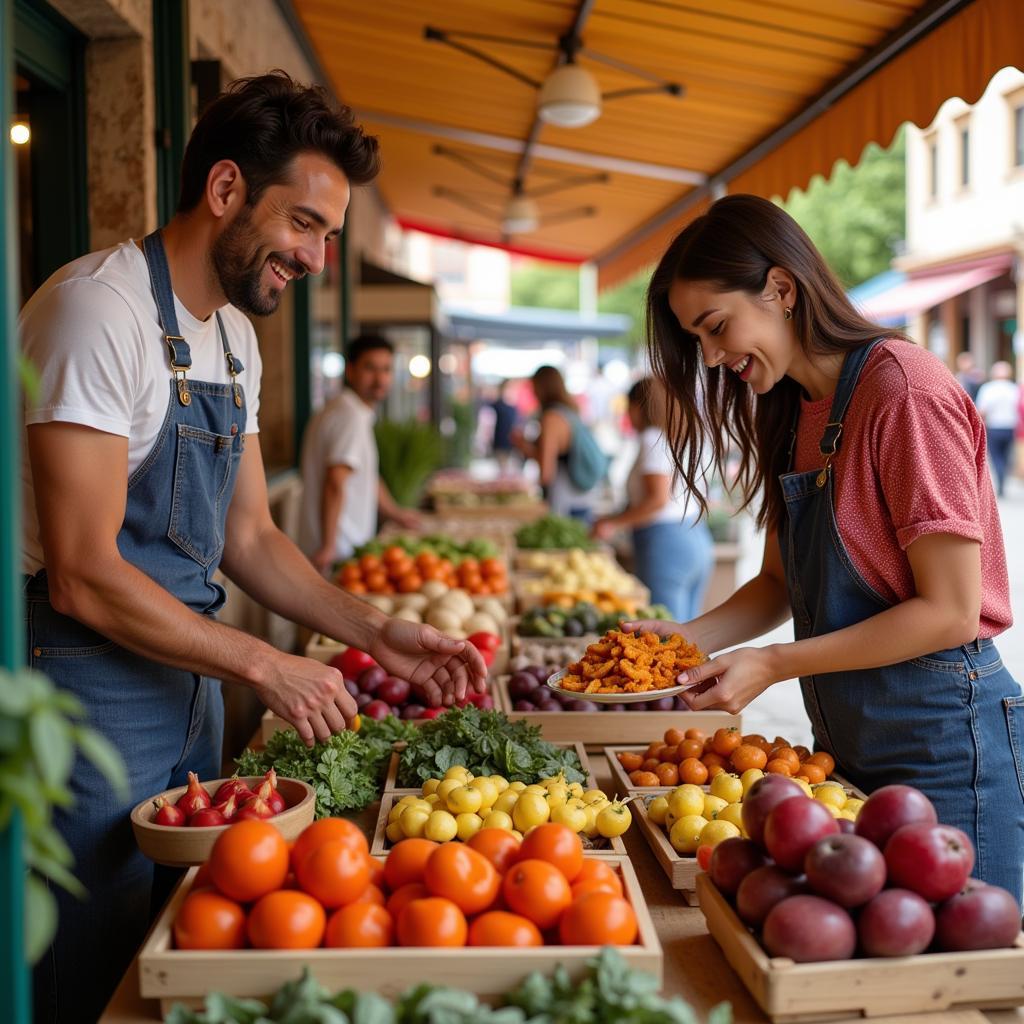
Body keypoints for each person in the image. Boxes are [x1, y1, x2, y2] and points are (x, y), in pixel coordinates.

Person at [19, 72, 486, 1023]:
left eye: (328, 236)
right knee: (90, 963)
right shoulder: (95, 313)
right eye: (305, 225)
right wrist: (264, 663)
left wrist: (378, 629)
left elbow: (250, 536)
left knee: (182, 956)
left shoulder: (234, 336)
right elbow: (81, 573)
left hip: (185, 686)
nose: (317, 258)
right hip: (80, 688)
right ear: (226, 189)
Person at [626, 194, 1023, 903]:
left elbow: (952, 612)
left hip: (946, 743)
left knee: (957, 986)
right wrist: (685, 642)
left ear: (781, 289)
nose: (712, 358)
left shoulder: (901, 392)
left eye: (716, 327)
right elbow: (778, 583)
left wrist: (775, 663)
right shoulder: (794, 410)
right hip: (850, 746)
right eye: (697, 341)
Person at [592, 377, 713, 620]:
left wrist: (613, 523)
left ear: (638, 407)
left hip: (666, 544)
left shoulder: (652, 439)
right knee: (688, 638)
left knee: (667, 638)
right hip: (696, 537)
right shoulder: (681, 437)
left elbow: (658, 500)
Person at [299, 333, 420, 573]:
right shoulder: (349, 416)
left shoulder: (349, 410)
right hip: (340, 553)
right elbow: (335, 481)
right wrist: (328, 546)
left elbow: (366, 476)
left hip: (342, 550)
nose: (380, 379)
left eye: (386, 369)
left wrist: (395, 513)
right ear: (351, 370)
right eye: (370, 369)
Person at [511, 365, 606, 520]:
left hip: (566, 501)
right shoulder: (569, 412)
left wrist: (524, 446)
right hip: (582, 497)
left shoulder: (551, 419)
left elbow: (546, 472)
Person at [975, 360, 1019, 498]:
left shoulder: (988, 389)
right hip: (1011, 426)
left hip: (994, 427)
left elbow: (981, 410)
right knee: (1006, 456)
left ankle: (1001, 482)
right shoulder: (1014, 389)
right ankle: (1003, 479)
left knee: (996, 456)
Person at [490, 379, 519, 471]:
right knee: (503, 469)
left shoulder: (514, 408)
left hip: (512, 445)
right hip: (500, 443)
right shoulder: (497, 406)